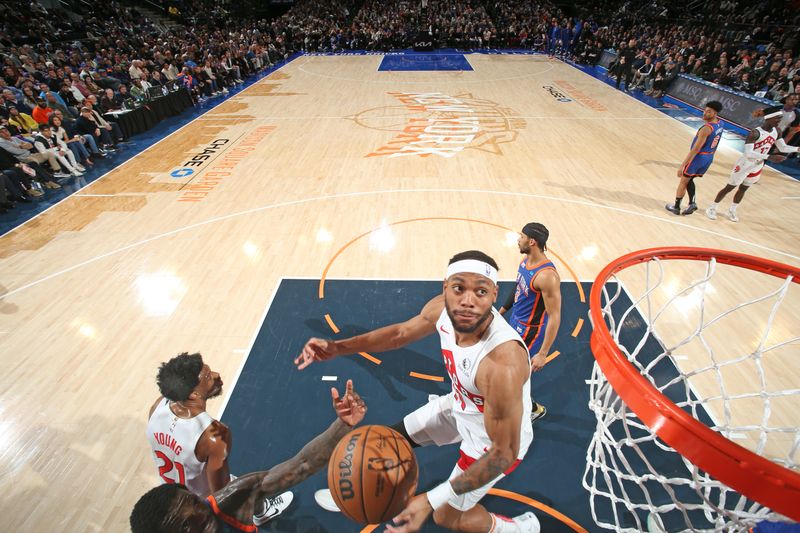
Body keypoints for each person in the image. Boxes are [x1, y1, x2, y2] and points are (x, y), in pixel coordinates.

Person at [296, 250, 540, 533]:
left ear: (495, 294)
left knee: (446, 518)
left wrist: (429, 499)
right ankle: (359, 486)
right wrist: (338, 347)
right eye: (459, 288)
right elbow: (399, 334)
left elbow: (503, 454)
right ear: (445, 287)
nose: (468, 301)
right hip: (461, 405)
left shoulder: (502, 363)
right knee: (384, 441)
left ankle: (517, 529)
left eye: (481, 291)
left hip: (490, 442)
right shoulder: (443, 310)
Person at [131, 379, 367, 533]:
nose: (201, 514)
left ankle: (263, 511)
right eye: (185, 526)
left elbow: (301, 465)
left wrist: (342, 425)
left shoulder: (229, 502)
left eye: (194, 501)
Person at [147, 353, 293, 526]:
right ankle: (260, 514)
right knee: (251, 487)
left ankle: (261, 511)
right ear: (193, 395)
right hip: (198, 506)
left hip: (171, 498)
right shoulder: (213, 435)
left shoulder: (157, 407)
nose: (216, 375)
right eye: (208, 377)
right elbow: (221, 493)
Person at [498, 223, 561, 422]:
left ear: (532, 242)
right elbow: (518, 290)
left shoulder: (547, 276)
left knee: (512, 372)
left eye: (522, 236)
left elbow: (555, 315)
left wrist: (543, 354)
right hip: (514, 320)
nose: (519, 239)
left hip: (528, 331)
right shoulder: (525, 262)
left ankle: (531, 409)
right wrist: (501, 313)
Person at [706, 105, 799, 222]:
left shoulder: (777, 131)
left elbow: (783, 147)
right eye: (777, 118)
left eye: (780, 119)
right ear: (768, 118)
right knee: (730, 187)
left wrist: (797, 149)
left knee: (744, 188)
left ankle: (732, 210)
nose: (779, 121)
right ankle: (712, 207)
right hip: (745, 163)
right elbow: (749, 153)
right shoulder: (755, 133)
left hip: (758, 165)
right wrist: (769, 156)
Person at [666, 100, 724, 215]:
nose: (705, 113)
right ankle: (692, 203)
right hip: (709, 157)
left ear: (715, 113)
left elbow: (696, 149)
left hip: (699, 157)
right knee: (689, 179)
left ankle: (676, 207)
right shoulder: (720, 123)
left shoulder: (706, 128)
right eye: (705, 110)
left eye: (709, 112)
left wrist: (682, 165)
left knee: (683, 180)